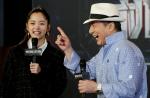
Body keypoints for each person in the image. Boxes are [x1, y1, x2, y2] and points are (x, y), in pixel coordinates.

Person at [55, 3, 147, 98]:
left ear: (110, 26)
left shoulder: (127, 50)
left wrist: (98, 87)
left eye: (94, 25)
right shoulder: (103, 51)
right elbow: (85, 72)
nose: (90, 31)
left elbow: (129, 90)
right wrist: (68, 49)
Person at [1, 6, 67, 98]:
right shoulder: (15, 53)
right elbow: (5, 87)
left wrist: (41, 73)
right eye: (32, 23)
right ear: (27, 27)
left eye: (41, 23)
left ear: (48, 27)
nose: (37, 27)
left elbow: (58, 89)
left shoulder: (57, 55)